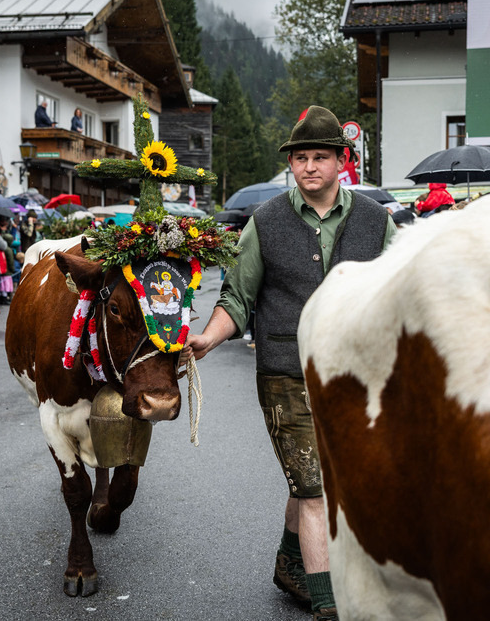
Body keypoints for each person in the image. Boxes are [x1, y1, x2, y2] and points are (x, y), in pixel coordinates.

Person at [184, 106, 396, 621]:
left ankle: (289, 563)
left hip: (353, 375)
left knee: (317, 478)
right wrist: (208, 338)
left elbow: (403, 289)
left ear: (341, 161)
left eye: (320, 156)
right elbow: (237, 296)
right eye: (301, 158)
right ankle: (327, 603)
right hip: (285, 371)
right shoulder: (266, 221)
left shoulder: (377, 221)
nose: (309, 166)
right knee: (315, 486)